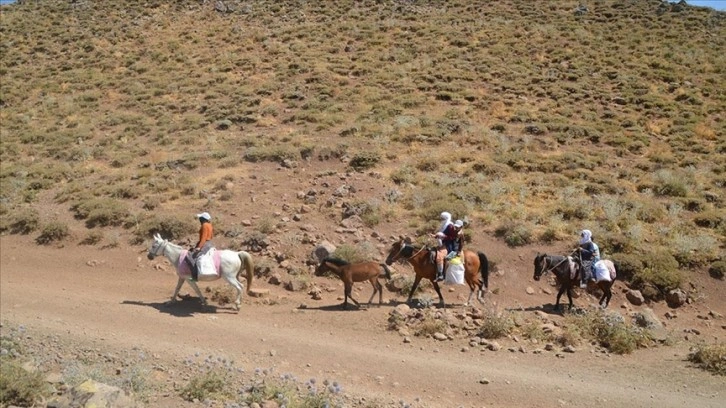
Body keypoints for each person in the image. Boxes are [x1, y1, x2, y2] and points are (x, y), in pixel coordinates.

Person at [186, 212, 214, 281]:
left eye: (200, 218)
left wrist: (199, 247)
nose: (199, 219)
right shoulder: (210, 225)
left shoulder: (204, 225)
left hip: (205, 244)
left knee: (190, 257)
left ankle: (195, 276)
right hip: (209, 243)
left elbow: (204, 238)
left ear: (203, 219)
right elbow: (211, 236)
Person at [431, 212, 453, 282]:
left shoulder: (450, 226)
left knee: (439, 256)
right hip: (442, 244)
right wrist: (435, 236)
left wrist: (442, 236)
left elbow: (452, 237)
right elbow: (441, 235)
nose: (442, 220)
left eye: (443, 218)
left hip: (448, 245)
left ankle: (441, 275)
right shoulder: (444, 225)